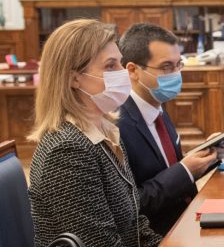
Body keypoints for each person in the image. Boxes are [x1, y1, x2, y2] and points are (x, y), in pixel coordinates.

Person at [27, 19, 161, 246]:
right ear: (74, 78)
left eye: (120, 63)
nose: (123, 73)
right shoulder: (67, 151)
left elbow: (134, 225)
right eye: (110, 66)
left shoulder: (105, 130)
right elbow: (100, 243)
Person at [117, 23, 224, 235]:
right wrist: (185, 170)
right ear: (133, 70)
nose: (176, 74)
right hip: (158, 234)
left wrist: (207, 155)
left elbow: (168, 167)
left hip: (188, 219)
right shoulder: (118, 126)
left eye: (179, 64)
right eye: (166, 67)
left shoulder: (157, 106)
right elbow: (131, 204)